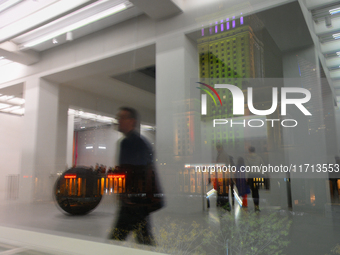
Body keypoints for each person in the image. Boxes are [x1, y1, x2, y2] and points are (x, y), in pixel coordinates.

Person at [108, 107, 156, 245]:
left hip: (134, 202)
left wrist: (130, 195)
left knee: (117, 240)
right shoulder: (127, 142)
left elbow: (139, 172)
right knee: (143, 238)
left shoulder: (136, 144)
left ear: (132, 121)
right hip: (133, 202)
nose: (119, 121)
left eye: (122, 118)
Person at [215, 144, 235, 210]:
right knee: (224, 190)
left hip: (223, 175)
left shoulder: (222, 155)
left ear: (220, 148)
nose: (217, 150)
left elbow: (222, 165)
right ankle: (224, 203)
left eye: (217, 148)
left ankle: (224, 204)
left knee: (223, 190)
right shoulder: (223, 154)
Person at [245, 146, 264, 212]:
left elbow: (247, 168)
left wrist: (246, 177)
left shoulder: (247, 158)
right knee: (257, 191)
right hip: (258, 175)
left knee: (253, 191)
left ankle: (255, 205)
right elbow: (262, 166)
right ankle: (257, 206)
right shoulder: (259, 158)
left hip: (251, 176)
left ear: (249, 150)